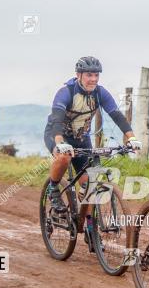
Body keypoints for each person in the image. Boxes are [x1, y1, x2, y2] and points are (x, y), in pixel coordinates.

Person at [44, 56, 141, 214]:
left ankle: (90, 228)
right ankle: (53, 189)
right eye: (89, 75)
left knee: (90, 184)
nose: (93, 79)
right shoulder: (66, 92)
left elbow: (117, 116)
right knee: (64, 157)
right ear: (79, 75)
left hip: (81, 138)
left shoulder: (100, 93)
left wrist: (132, 138)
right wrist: (60, 142)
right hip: (57, 134)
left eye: (96, 75)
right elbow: (57, 120)